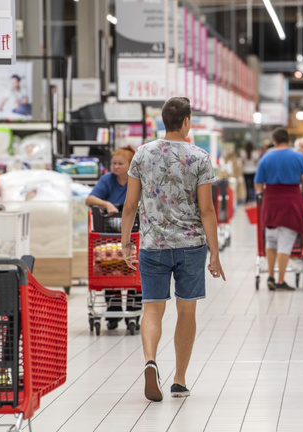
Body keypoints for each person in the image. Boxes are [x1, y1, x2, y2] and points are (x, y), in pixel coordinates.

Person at [120, 97, 224, 401]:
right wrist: (214, 252)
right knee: (186, 309)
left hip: (153, 245)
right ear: (187, 121)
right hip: (191, 246)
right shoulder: (199, 157)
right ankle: (179, 379)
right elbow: (207, 211)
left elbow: (129, 206)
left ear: (164, 121)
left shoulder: (142, 154)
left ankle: (150, 360)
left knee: (152, 308)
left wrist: (126, 243)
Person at [86, 146, 141, 330]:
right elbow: (90, 199)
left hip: (134, 237)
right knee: (111, 268)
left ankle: (133, 313)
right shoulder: (107, 180)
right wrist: (107, 203)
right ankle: (113, 310)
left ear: (130, 165)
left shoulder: (138, 180)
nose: (116, 167)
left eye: (120, 163)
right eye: (114, 163)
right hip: (108, 237)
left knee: (134, 270)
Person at [255, 128, 303, 291]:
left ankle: (271, 276)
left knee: (271, 239)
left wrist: (263, 193)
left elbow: (258, 184)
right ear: (287, 140)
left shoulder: (266, 157)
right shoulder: (298, 156)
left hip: (270, 201)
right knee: (286, 241)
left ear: (274, 140)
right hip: (291, 201)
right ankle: (280, 280)